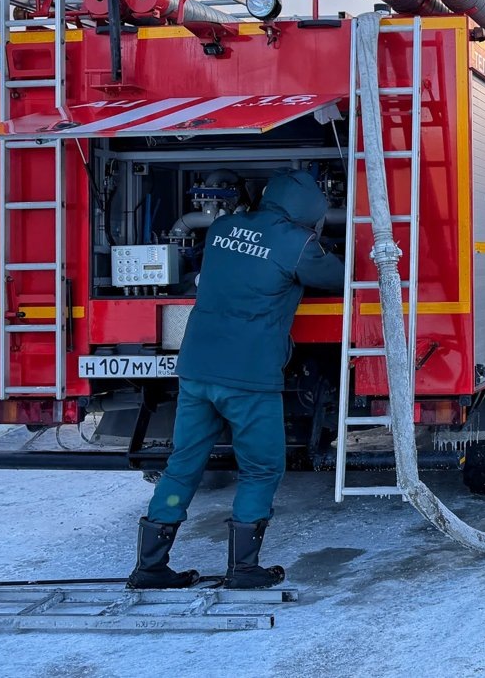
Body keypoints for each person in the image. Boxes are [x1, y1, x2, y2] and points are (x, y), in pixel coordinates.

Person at [127, 169, 345, 589]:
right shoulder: (297, 244)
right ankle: (244, 567)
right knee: (262, 469)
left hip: (197, 369)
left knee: (183, 467)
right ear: (312, 213)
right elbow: (337, 275)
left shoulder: (223, 227)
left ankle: (149, 565)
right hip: (248, 376)